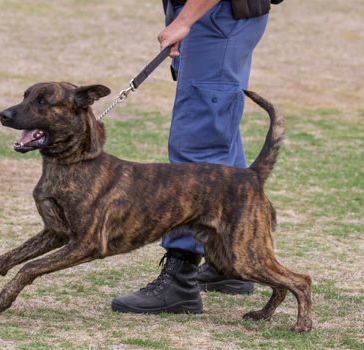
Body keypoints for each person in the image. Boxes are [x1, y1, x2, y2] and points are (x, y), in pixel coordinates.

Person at [112, 0, 279, 314]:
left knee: (197, 147)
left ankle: (181, 274)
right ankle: (228, 262)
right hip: (220, 16)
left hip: (214, 16)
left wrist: (186, 18)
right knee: (218, 136)